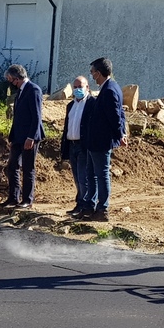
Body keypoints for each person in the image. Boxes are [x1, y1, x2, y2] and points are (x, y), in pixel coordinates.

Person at [82, 57, 126, 222]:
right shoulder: (109, 87)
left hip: (101, 141)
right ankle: (90, 206)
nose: (92, 76)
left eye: (92, 72)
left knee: (101, 175)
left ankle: (102, 209)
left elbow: (116, 116)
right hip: (95, 141)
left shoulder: (109, 90)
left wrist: (120, 134)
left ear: (99, 73)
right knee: (92, 174)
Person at [3, 64, 44, 209]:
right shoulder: (20, 91)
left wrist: (31, 137)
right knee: (12, 166)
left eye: (10, 79)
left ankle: (27, 199)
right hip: (18, 137)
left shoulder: (33, 90)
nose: (10, 82)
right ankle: (13, 197)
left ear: (17, 78)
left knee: (28, 168)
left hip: (29, 137)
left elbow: (36, 117)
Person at [59, 76, 95, 218]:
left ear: (87, 87)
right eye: (75, 87)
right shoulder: (71, 105)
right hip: (72, 145)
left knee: (83, 177)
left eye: (80, 86)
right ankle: (80, 204)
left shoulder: (92, 103)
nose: (77, 89)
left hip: (84, 146)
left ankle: (86, 205)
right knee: (76, 177)